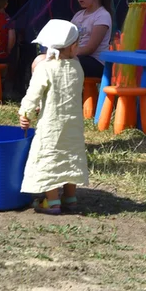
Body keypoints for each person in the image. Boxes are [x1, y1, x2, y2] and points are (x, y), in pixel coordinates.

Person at [19, 19, 89, 216]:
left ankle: (52, 201)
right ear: (73, 46)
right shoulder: (77, 68)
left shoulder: (45, 68)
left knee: (49, 157)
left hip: (51, 124)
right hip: (73, 124)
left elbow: (33, 94)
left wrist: (25, 113)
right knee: (71, 156)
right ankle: (70, 198)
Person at [65, 0, 112, 79]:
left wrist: (65, 53)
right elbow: (67, 39)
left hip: (96, 62)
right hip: (77, 57)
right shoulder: (78, 15)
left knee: (61, 65)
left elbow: (89, 49)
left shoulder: (102, 15)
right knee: (41, 59)